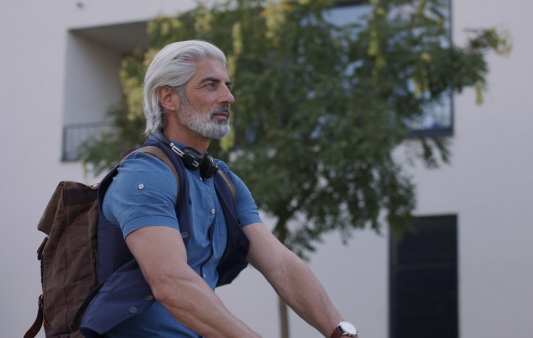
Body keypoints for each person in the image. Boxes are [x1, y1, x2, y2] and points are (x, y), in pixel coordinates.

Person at [92, 40, 359, 337]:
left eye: (227, 85)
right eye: (210, 85)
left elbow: (281, 265)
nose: (228, 97)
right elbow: (171, 282)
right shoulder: (145, 174)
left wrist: (341, 332)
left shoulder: (222, 180)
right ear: (168, 98)